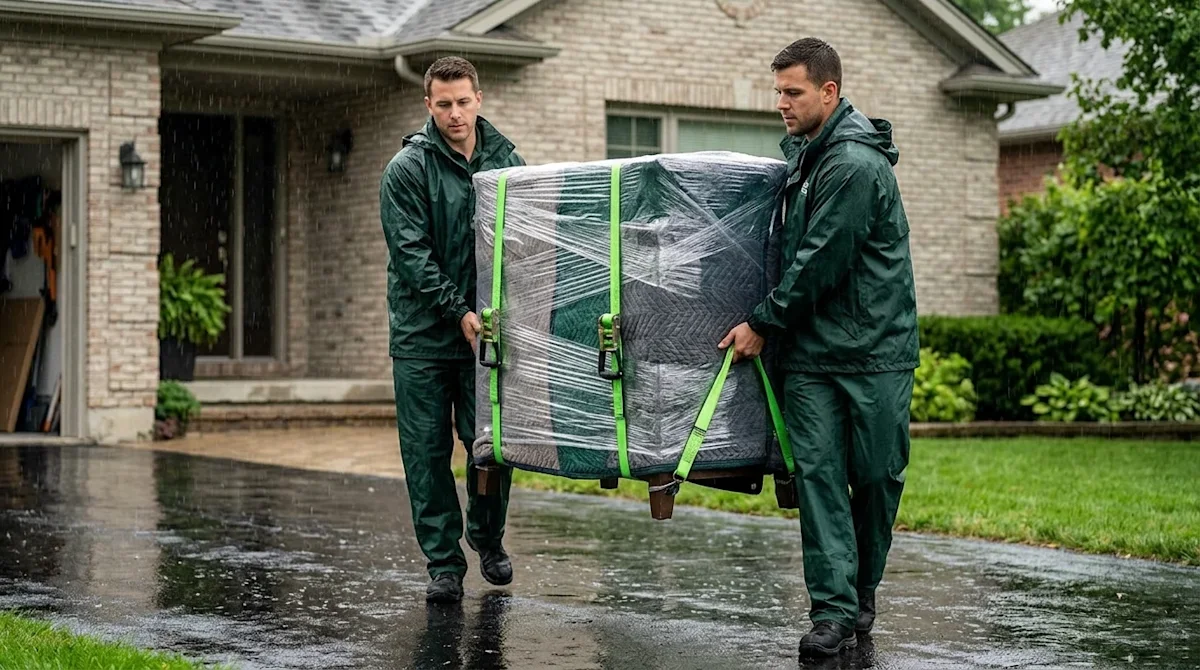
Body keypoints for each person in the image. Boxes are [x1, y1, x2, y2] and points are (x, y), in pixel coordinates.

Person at [719, 37, 919, 657]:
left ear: (829, 92)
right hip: (810, 358)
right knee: (819, 481)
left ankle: (861, 591)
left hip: (874, 352)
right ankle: (833, 611)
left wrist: (763, 322)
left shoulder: (853, 165)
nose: (781, 103)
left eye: (793, 92)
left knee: (877, 478)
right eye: (778, 91)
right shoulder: (806, 160)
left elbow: (820, 260)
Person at [379, 56, 524, 604]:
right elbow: (411, 256)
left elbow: (525, 245)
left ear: (478, 99)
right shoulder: (407, 170)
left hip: (488, 334)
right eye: (444, 104)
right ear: (428, 105)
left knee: (490, 446)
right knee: (426, 454)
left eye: (464, 102)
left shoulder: (509, 162)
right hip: (422, 338)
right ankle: (443, 563)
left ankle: (487, 537)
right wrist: (457, 310)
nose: (455, 113)